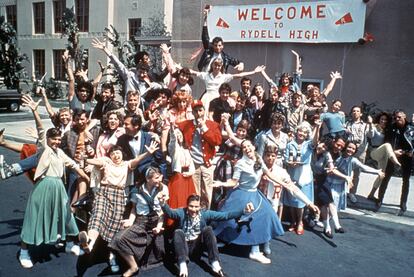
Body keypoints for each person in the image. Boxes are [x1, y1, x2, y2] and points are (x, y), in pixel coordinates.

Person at [213, 139, 319, 264]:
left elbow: (269, 174)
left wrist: (308, 202)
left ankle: (255, 250)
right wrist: (221, 183)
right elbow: (233, 182)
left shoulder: (258, 158)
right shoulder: (240, 163)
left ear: (253, 146)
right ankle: (218, 239)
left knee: (266, 215)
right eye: (244, 147)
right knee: (228, 220)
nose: (247, 148)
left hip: (255, 194)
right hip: (241, 194)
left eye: (249, 145)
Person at [1, 127, 89, 268]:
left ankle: (69, 244)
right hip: (44, 187)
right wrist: (35, 112)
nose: (57, 141)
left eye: (59, 139)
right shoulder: (44, 150)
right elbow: (42, 131)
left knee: (66, 216)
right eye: (54, 139)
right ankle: (24, 251)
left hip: (58, 188)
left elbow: (72, 164)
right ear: (47, 139)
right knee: (34, 218)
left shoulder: (59, 152)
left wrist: (84, 176)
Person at [78, 142, 160, 273]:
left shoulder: (127, 165)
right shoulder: (106, 162)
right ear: (109, 155)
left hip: (119, 196)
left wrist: (149, 153)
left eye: (118, 153)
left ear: (122, 154)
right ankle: (89, 243)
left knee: (115, 229)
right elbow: (97, 161)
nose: (115, 155)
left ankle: (112, 257)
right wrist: (84, 159)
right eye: (113, 153)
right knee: (98, 216)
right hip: (104, 192)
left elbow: (137, 160)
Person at [158, 194, 254, 277]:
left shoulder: (205, 214)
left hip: (197, 247)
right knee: (178, 231)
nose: (194, 209)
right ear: (187, 206)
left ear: (200, 207)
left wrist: (243, 211)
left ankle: (216, 265)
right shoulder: (181, 212)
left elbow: (225, 215)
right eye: (191, 206)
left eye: (196, 207)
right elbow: (170, 212)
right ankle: (183, 269)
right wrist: (163, 203)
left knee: (208, 229)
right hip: (184, 248)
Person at [109, 167, 168, 277]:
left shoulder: (163, 188)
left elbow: (162, 212)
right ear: (147, 179)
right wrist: (131, 221)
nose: (159, 180)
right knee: (118, 239)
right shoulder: (137, 191)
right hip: (141, 221)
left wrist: (159, 227)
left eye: (160, 177)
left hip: (156, 221)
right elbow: (133, 209)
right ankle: (133, 267)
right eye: (156, 178)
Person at [325, 140, 384, 234]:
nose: (351, 150)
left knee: (334, 207)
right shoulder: (337, 156)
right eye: (349, 147)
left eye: (353, 149)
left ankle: (330, 224)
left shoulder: (353, 160)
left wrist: (377, 171)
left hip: (339, 186)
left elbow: (364, 167)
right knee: (329, 206)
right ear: (345, 147)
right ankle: (329, 226)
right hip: (329, 183)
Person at [177, 100, 222, 208]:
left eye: (200, 110)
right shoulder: (186, 124)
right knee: (194, 192)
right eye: (196, 111)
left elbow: (217, 141)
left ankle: (206, 215)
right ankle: (195, 213)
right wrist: (177, 132)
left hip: (207, 163)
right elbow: (174, 125)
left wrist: (204, 128)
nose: (199, 113)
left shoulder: (213, 125)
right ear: (192, 112)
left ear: (204, 111)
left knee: (207, 191)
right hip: (193, 163)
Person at [283, 121, 321, 235]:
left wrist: (317, 127)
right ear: (296, 131)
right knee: (291, 198)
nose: (302, 133)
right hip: (292, 171)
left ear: (307, 134)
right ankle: (293, 221)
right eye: (300, 131)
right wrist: (289, 163)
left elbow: (315, 141)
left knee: (300, 200)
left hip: (303, 173)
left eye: (305, 132)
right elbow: (285, 158)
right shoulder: (290, 144)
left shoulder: (308, 144)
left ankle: (300, 222)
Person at [191, 57, 265, 113]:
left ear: (221, 67)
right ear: (212, 65)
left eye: (219, 66)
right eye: (215, 65)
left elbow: (239, 75)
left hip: (219, 97)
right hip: (207, 98)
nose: (217, 67)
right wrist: (180, 68)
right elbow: (193, 72)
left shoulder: (224, 77)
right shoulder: (206, 75)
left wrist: (254, 72)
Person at [377, 110, 414, 216]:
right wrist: (392, 152)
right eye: (396, 117)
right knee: (386, 176)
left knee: (406, 180)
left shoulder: (411, 128)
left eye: (399, 117)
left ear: (404, 116)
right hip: (393, 155)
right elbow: (386, 142)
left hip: (407, 156)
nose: (397, 119)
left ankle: (403, 202)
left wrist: (409, 152)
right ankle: (380, 199)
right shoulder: (392, 128)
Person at [366, 113, 401, 201]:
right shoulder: (374, 127)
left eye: (385, 120)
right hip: (374, 151)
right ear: (379, 119)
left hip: (384, 153)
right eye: (382, 119)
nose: (383, 121)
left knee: (382, 175)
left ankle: (371, 194)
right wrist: (370, 124)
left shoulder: (387, 130)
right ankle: (396, 162)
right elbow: (370, 135)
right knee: (387, 145)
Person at [165, 126, 196, 227]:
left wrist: (190, 172)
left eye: (180, 133)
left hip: (188, 179)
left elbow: (192, 164)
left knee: (189, 201)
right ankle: (175, 226)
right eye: (176, 134)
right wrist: (172, 129)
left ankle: (189, 224)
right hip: (178, 177)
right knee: (178, 201)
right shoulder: (174, 149)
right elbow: (173, 140)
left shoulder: (186, 149)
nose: (179, 135)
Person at [197, 7, 244, 73]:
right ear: (212, 46)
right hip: (207, 79)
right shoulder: (208, 51)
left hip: (219, 80)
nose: (217, 47)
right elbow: (205, 37)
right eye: (215, 45)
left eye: (219, 45)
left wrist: (241, 64)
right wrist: (205, 20)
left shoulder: (225, 57)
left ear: (222, 46)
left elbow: (237, 61)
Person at [345, 105, 369, 204]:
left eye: (357, 111)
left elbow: (370, 135)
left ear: (361, 113)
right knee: (345, 172)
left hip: (360, 151)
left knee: (356, 174)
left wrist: (371, 124)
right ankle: (342, 191)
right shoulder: (347, 123)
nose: (355, 113)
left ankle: (352, 193)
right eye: (353, 111)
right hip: (349, 151)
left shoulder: (365, 125)